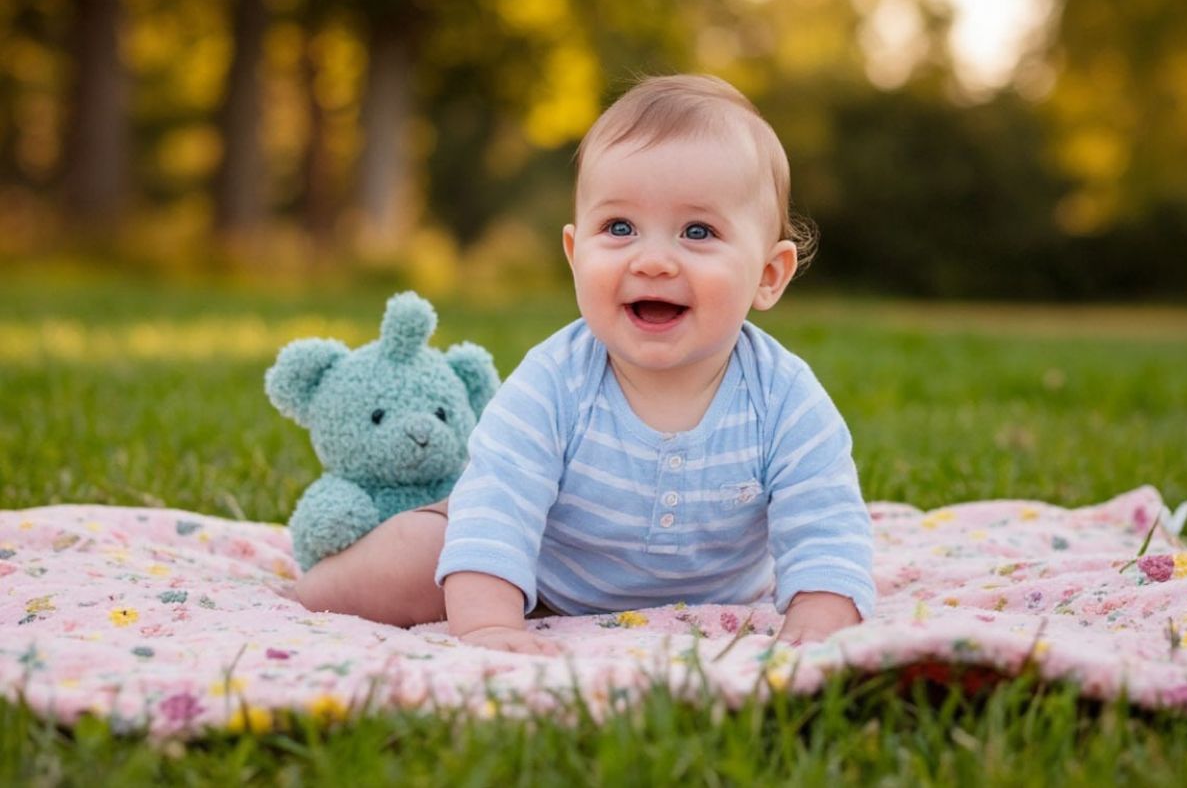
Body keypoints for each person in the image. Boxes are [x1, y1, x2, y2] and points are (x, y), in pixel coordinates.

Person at [294, 74, 876, 655]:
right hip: (543, 578)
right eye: (619, 228)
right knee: (420, 555)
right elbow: (498, 504)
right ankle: (307, 590)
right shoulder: (555, 381)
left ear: (769, 275)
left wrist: (818, 623)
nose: (652, 261)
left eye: (697, 231)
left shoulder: (783, 397)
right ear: (575, 255)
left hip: (720, 595)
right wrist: (491, 625)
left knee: (827, 578)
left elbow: (825, 525)